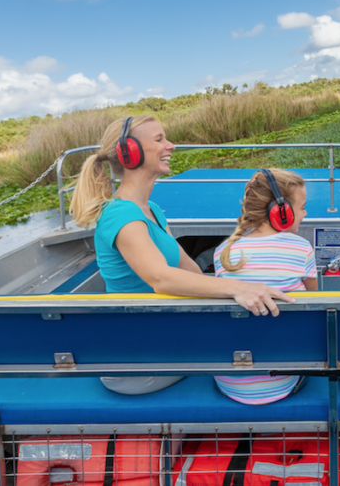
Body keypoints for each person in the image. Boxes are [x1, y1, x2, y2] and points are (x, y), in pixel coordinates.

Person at [70, 115, 294, 394]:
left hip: (158, 338)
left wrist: (245, 280)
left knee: (251, 328)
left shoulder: (151, 209)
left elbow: (192, 272)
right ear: (130, 152)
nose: (171, 146)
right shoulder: (121, 216)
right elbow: (161, 279)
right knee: (257, 346)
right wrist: (238, 288)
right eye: (159, 139)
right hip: (134, 364)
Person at [213, 168, 317, 405]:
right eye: (302, 207)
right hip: (282, 383)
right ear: (283, 212)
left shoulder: (223, 252)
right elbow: (315, 302)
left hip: (229, 384)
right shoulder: (301, 248)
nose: (305, 213)